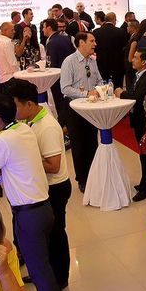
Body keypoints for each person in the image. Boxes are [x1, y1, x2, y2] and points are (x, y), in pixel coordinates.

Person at [0, 94, 69, 291]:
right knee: (43, 262)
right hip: (43, 206)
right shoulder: (23, 129)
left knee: (38, 267)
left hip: (28, 213)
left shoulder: (4, 139)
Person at [7, 78, 73, 289]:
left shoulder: (48, 127)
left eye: (15, 105)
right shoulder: (29, 121)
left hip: (55, 187)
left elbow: (54, 165)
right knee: (44, 237)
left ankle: (60, 278)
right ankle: (44, 274)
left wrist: (25, 157)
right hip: (41, 186)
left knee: (56, 234)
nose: (13, 111)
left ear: (29, 104)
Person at [60, 31, 103, 192]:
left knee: (92, 142)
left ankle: (93, 174)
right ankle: (82, 179)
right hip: (74, 108)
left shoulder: (92, 61)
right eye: (92, 41)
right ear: (81, 43)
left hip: (91, 108)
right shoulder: (69, 61)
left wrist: (102, 88)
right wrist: (86, 93)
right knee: (78, 145)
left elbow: (99, 80)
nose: (95, 44)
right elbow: (65, 88)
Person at [120, 47, 146, 202]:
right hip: (138, 120)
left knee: (145, 154)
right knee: (142, 153)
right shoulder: (138, 74)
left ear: (144, 62)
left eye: (136, 57)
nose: (132, 60)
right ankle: (144, 182)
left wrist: (121, 94)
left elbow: (137, 96)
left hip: (145, 121)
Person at [94, 10, 129, 89]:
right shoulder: (120, 31)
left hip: (102, 64)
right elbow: (125, 47)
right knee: (118, 88)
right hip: (118, 65)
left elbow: (94, 48)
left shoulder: (96, 32)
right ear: (114, 19)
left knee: (103, 88)